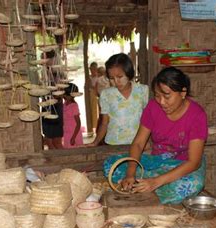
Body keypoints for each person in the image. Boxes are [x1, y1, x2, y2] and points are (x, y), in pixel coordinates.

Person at [103, 67, 207, 204]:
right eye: (158, 96)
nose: (162, 102)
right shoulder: (153, 107)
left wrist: (156, 182)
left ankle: (147, 187)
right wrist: (130, 173)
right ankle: (145, 186)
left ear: (183, 92)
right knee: (110, 165)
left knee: (192, 185)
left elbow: (194, 162)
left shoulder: (197, 115)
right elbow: (139, 143)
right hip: (156, 161)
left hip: (183, 166)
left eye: (167, 95)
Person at [88, 53, 149, 146]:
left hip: (138, 144)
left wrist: (148, 141)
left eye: (120, 77)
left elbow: (148, 120)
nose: (116, 82)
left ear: (129, 73)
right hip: (113, 144)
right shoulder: (106, 94)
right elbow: (104, 123)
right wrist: (95, 142)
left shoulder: (143, 90)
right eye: (112, 78)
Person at [41, 50, 64, 149]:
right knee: (48, 140)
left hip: (55, 107)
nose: (43, 61)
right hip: (47, 106)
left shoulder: (58, 74)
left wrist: (50, 93)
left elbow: (60, 93)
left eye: (44, 59)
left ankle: (63, 160)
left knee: (56, 141)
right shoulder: (45, 73)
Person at [62, 83, 83, 148]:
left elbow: (78, 123)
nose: (63, 96)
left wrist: (73, 137)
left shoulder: (74, 106)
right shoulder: (65, 104)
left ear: (71, 95)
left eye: (65, 95)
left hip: (74, 133)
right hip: (66, 132)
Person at [88, 61, 99, 135]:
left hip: (97, 95)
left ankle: (97, 127)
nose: (93, 71)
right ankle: (92, 128)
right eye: (91, 69)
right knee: (91, 112)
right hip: (91, 96)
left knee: (97, 112)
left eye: (94, 69)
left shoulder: (99, 77)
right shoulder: (89, 77)